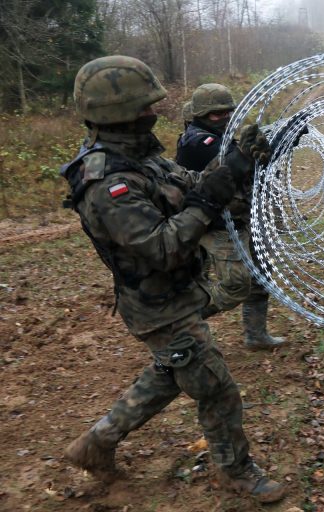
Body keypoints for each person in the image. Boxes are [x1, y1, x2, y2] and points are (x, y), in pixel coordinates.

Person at [59, 55, 285, 503]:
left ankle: (97, 443)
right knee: (217, 389)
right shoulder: (108, 183)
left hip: (179, 292)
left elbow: (194, 182)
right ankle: (235, 472)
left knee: (171, 373)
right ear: (116, 112)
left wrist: (236, 165)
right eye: (145, 107)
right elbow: (162, 248)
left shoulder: (142, 159)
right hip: (158, 304)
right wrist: (206, 201)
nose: (153, 113)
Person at [176, 83, 285, 350]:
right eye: (216, 113)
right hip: (215, 223)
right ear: (201, 115)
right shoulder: (197, 141)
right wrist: (249, 153)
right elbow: (230, 166)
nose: (224, 117)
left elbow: (255, 164)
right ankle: (181, 323)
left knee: (261, 276)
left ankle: (256, 336)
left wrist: (284, 140)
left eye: (227, 112)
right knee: (236, 284)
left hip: (239, 218)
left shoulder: (219, 135)